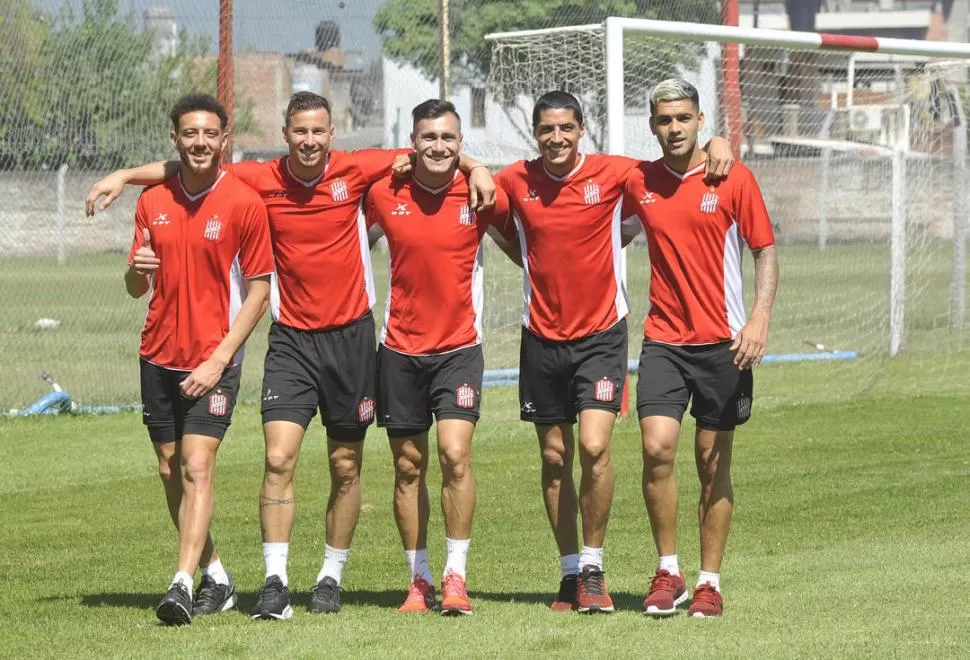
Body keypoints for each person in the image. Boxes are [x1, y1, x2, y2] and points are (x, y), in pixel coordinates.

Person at [87, 92, 497, 619]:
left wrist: (477, 165)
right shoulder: (260, 178)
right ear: (285, 133)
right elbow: (194, 158)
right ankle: (276, 581)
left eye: (318, 132)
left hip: (351, 339)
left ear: (332, 134)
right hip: (290, 341)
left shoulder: (357, 169)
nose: (309, 141)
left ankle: (330, 576)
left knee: (345, 462)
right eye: (299, 131)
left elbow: (430, 150)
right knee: (278, 458)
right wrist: (124, 176)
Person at [492, 90, 735, 613]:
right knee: (554, 457)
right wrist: (473, 170)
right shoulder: (515, 180)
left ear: (582, 130)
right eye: (546, 129)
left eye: (566, 128)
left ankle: (594, 567)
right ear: (535, 134)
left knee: (596, 447)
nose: (556, 137)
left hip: (602, 336)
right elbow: (495, 223)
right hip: (539, 337)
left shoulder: (618, 174)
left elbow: (677, 163)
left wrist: (719, 140)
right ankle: (568, 574)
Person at [621, 79, 778, 618]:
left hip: (724, 344)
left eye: (683, 118)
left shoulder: (732, 176)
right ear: (651, 124)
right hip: (664, 339)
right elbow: (571, 169)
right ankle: (669, 572)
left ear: (699, 118)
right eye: (664, 120)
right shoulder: (636, 181)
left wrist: (759, 317)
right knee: (656, 447)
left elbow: (765, 250)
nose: (674, 128)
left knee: (713, 461)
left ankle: (709, 582)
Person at [126, 93, 274, 625]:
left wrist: (220, 360)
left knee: (196, 465)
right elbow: (133, 286)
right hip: (157, 357)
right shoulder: (151, 201)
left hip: (214, 362)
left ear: (224, 139)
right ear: (175, 140)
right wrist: (138, 269)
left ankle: (181, 584)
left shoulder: (243, 203)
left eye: (210, 134)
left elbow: (258, 292)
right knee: (169, 467)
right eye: (190, 134)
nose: (200, 142)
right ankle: (217, 574)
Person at [365, 99, 516, 615]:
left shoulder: (479, 195)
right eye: (428, 137)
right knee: (408, 466)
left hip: (459, 349)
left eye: (448, 139)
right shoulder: (384, 193)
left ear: (460, 143)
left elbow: (525, 249)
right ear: (412, 141)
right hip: (400, 351)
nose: (438, 147)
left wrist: (480, 170)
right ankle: (419, 579)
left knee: (455, 455)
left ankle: (456, 576)